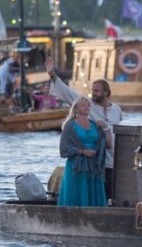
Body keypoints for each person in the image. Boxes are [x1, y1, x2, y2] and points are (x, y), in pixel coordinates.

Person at [47, 58, 123, 201]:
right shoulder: (88, 105)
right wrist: (52, 75)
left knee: (111, 194)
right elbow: (67, 92)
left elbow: (120, 133)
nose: (93, 93)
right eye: (92, 90)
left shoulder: (117, 110)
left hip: (114, 159)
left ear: (107, 93)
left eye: (97, 91)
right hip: (96, 160)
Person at [57, 96, 108, 207]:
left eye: (88, 105)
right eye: (84, 105)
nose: (87, 107)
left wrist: (105, 128)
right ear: (76, 109)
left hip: (93, 165)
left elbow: (106, 144)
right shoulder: (70, 125)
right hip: (76, 166)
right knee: (78, 193)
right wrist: (82, 151)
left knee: (92, 194)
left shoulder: (94, 124)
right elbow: (63, 149)